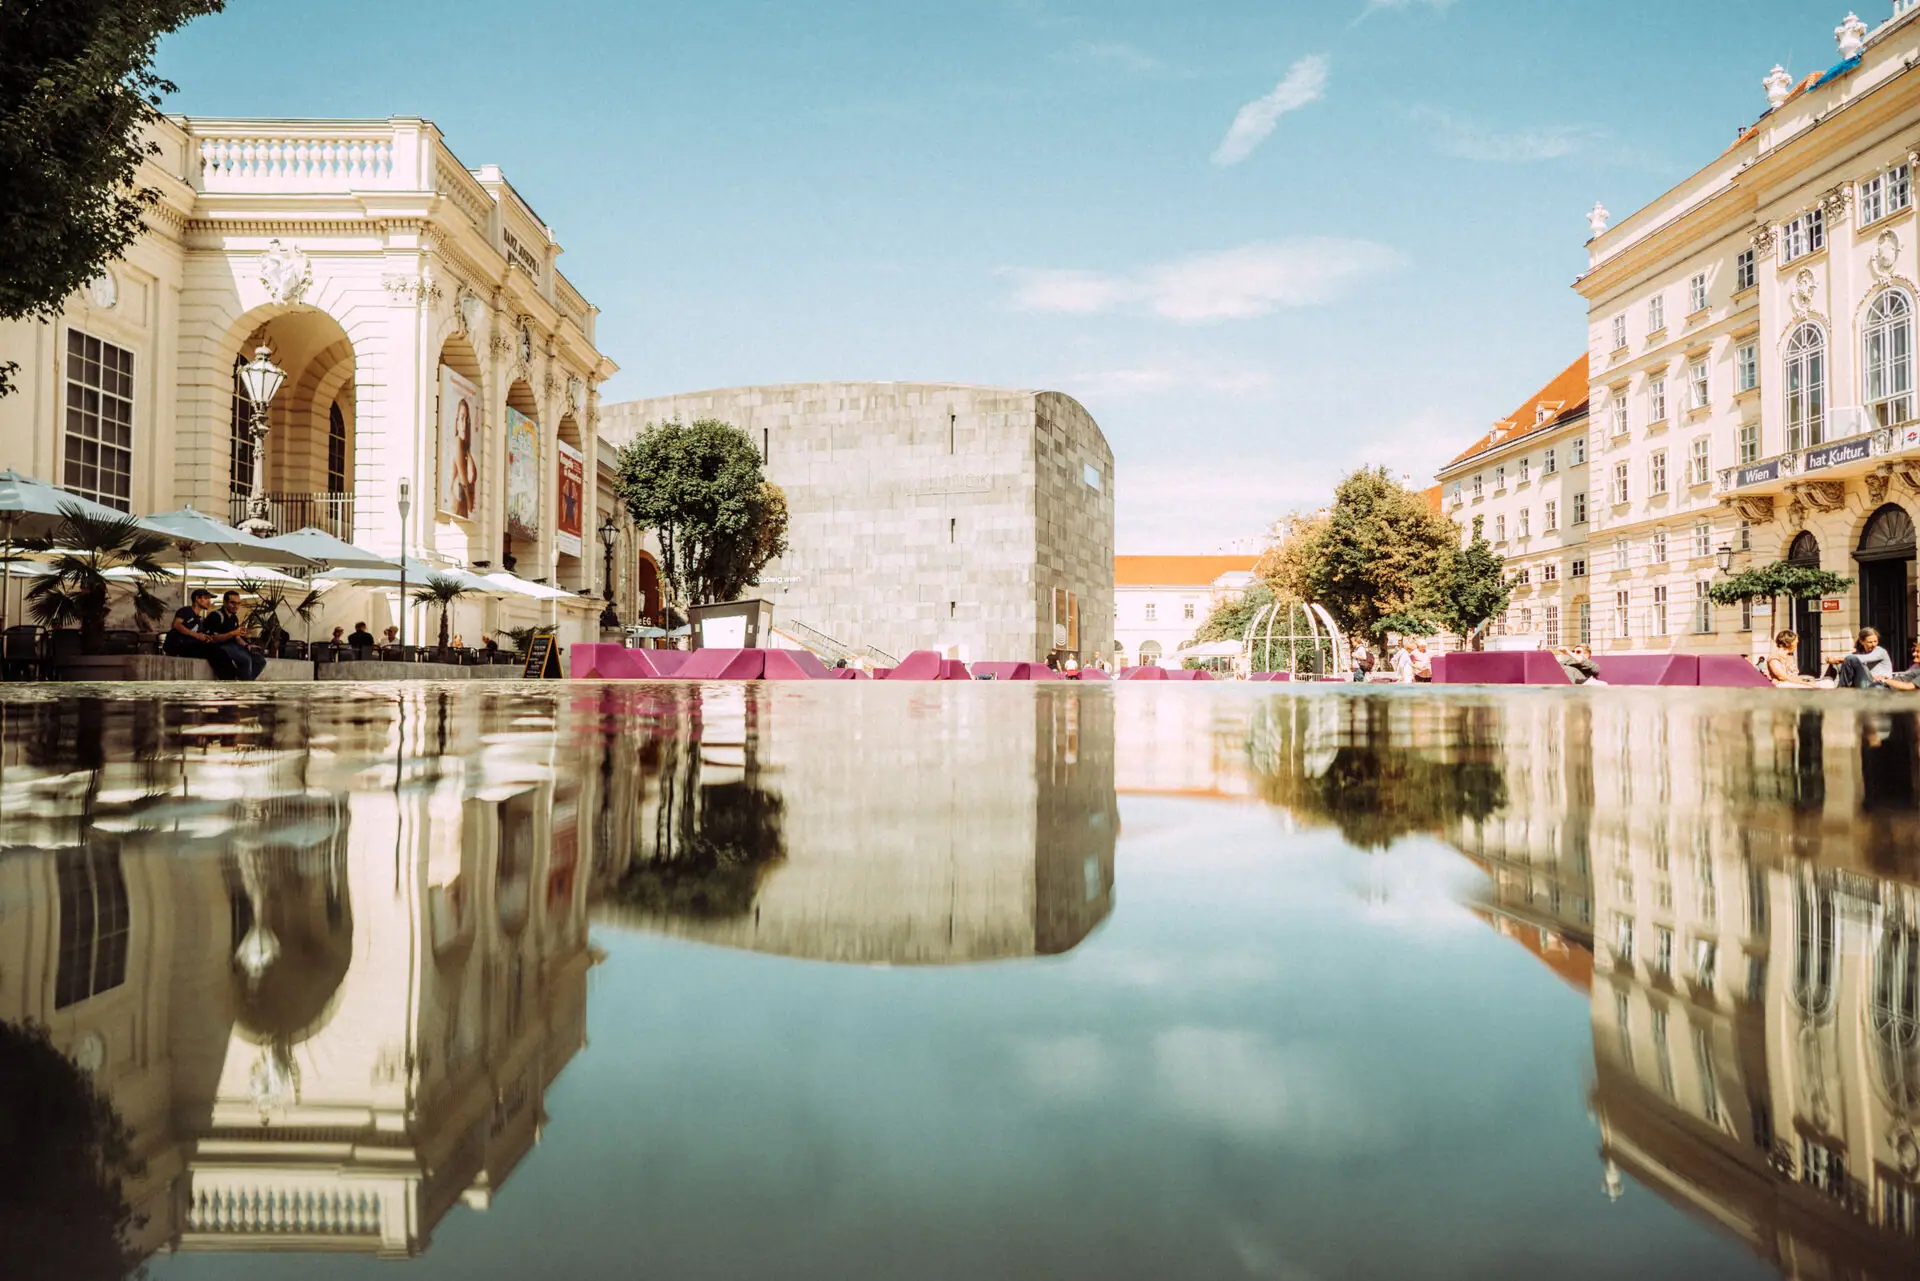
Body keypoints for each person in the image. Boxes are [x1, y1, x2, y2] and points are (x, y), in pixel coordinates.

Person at [164, 589, 233, 675]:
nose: (209, 601)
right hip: (180, 645)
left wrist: (205, 637)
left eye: (209, 599)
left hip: (192, 645)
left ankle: (230, 676)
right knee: (215, 652)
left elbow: (197, 633)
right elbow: (176, 625)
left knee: (219, 651)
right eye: (206, 598)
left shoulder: (198, 619)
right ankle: (229, 677)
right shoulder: (186, 611)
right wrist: (197, 636)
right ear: (197, 599)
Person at [207, 591, 266, 680]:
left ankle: (245, 680)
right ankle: (244, 682)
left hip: (234, 645)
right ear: (225, 602)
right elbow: (214, 638)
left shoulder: (234, 618)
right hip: (221, 647)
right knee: (245, 659)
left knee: (260, 660)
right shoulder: (216, 616)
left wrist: (247, 645)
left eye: (238, 603)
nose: (236, 606)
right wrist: (232, 633)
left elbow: (237, 637)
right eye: (233, 603)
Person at [1765, 629, 1832, 688]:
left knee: (1827, 683)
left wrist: (1808, 682)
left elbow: (1794, 676)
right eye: (1796, 643)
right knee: (1811, 688)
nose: (1796, 645)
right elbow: (1783, 678)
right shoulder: (1774, 659)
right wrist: (1807, 684)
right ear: (1789, 643)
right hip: (1782, 686)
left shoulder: (1789, 658)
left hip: (1793, 684)